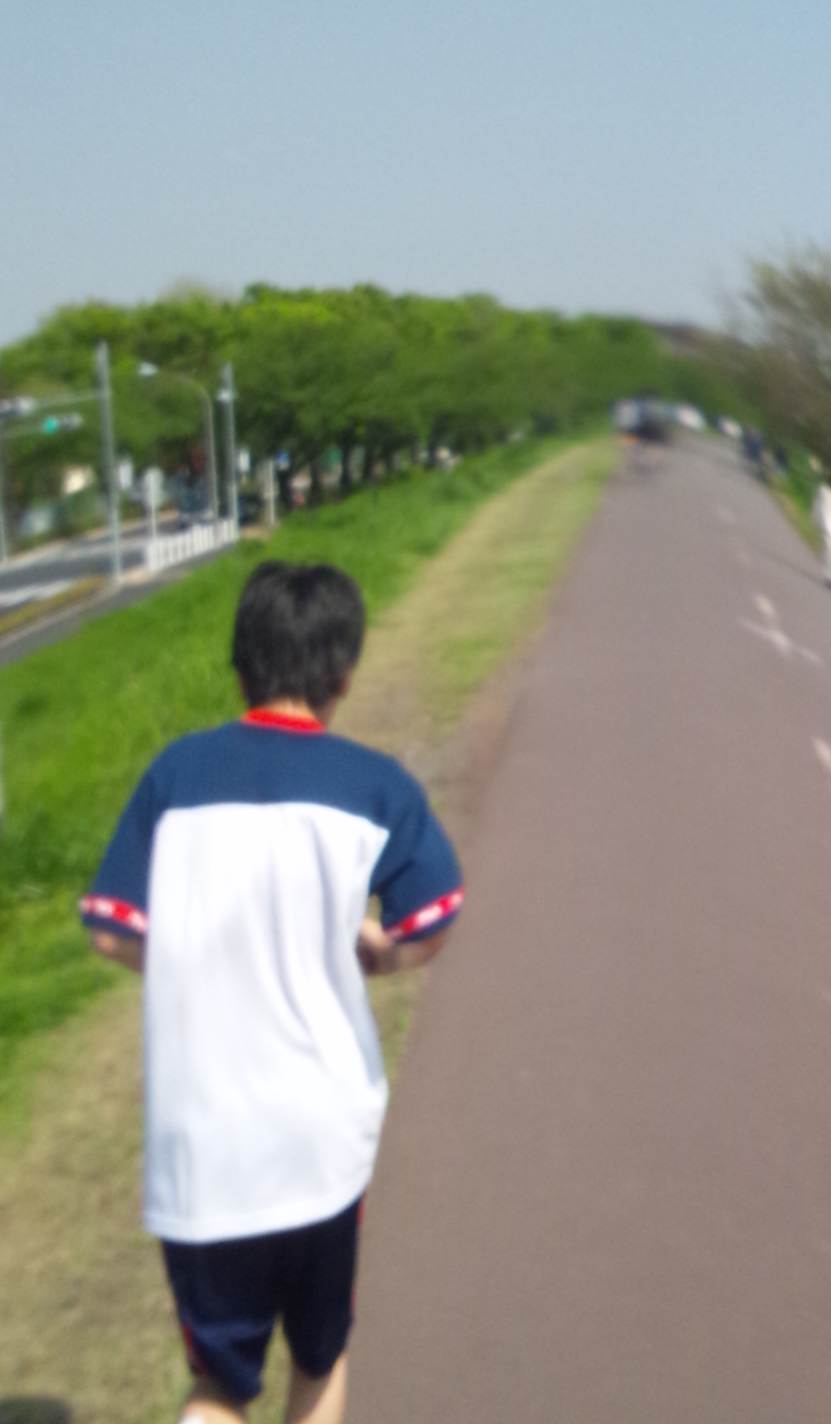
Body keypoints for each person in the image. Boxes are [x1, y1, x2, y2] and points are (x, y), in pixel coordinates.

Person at [80, 561, 463, 1424]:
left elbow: (111, 928)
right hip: (319, 1139)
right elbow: (432, 916)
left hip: (203, 1143)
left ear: (240, 666)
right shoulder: (374, 786)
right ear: (344, 674)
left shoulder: (174, 775)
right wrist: (378, 955)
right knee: (319, 1359)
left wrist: (194, 957)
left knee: (219, 1382)